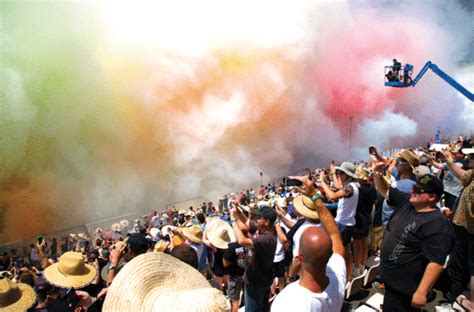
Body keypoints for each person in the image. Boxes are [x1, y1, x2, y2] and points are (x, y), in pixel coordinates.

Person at [373, 162, 455, 312]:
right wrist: (377, 174)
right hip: (390, 281)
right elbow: (386, 191)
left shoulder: (438, 224)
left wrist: (422, 292)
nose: (413, 191)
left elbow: (436, 261)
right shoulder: (407, 202)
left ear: (431, 197)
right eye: (414, 187)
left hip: (406, 289)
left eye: (418, 190)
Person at [272, 175, 346, 312]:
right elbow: (335, 235)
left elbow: (335, 236)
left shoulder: (287, 302)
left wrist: (291, 277)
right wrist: (315, 196)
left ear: (299, 258)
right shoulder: (338, 276)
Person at [317, 161, 359, 280]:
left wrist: (322, 181)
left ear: (348, 175)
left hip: (343, 224)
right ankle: (347, 277)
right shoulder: (352, 186)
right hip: (347, 223)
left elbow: (332, 196)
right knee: (346, 252)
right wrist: (333, 174)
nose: (339, 175)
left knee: (339, 253)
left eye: (341, 173)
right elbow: (339, 187)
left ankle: (341, 279)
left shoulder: (350, 188)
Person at [230, 204, 277, 312]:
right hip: (261, 280)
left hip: (256, 283)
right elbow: (246, 221)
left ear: (266, 222)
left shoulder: (267, 239)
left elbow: (242, 241)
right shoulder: (263, 229)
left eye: (259, 218)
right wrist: (237, 209)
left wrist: (233, 220)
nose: (255, 219)